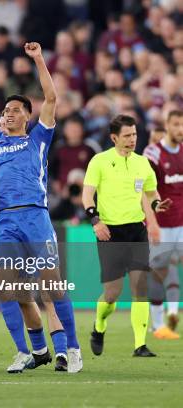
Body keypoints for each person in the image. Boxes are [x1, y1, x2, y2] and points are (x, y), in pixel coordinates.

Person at [0, 44, 82, 373]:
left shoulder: (39, 138)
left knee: (51, 285)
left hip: (35, 216)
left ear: (28, 115)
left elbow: (52, 98)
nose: (9, 113)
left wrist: (39, 59)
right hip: (5, 221)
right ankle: (27, 351)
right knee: (9, 288)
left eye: (16, 110)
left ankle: (70, 348)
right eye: (6, 110)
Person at [82, 114, 172, 358]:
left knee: (139, 287)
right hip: (110, 231)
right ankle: (99, 327)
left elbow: (151, 195)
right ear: (114, 138)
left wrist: (157, 205)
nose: (133, 139)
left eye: (134, 134)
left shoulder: (143, 164)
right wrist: (95, 220)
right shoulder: (99, 161)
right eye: (127, 135)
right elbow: (87, 195)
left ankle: (140, 345)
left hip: (136, 231)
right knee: (112, 294)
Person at [142, 110, 183, 339]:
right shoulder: (154, 153)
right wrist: (152, 222)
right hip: (162, 224)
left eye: (182, 125)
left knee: (171, 269)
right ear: (167, 125)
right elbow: (145, 189)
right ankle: (158, 326)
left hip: (182, 223)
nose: (180, 129)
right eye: (176, 124)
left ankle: (173, 312)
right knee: (159, 271)